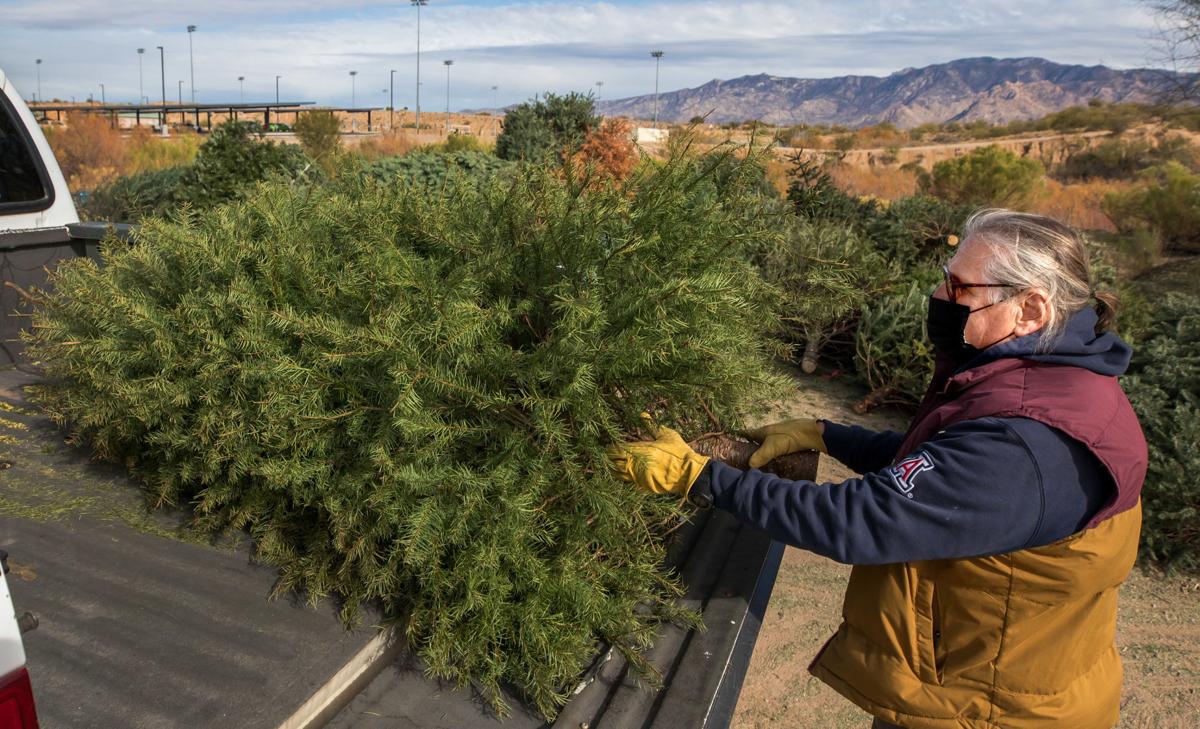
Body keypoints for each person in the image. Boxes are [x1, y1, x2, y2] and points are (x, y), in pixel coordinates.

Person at [609, 209, 1147, 729]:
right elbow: (944, 469)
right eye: (945, 278)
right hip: (976, 683)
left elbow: (861, 520)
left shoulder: (1029, 444)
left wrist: (699, 476)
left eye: (960, 287)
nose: (940, 296)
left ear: (1030, 309)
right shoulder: (1052, 382)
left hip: (988, 711)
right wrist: (827, 435)